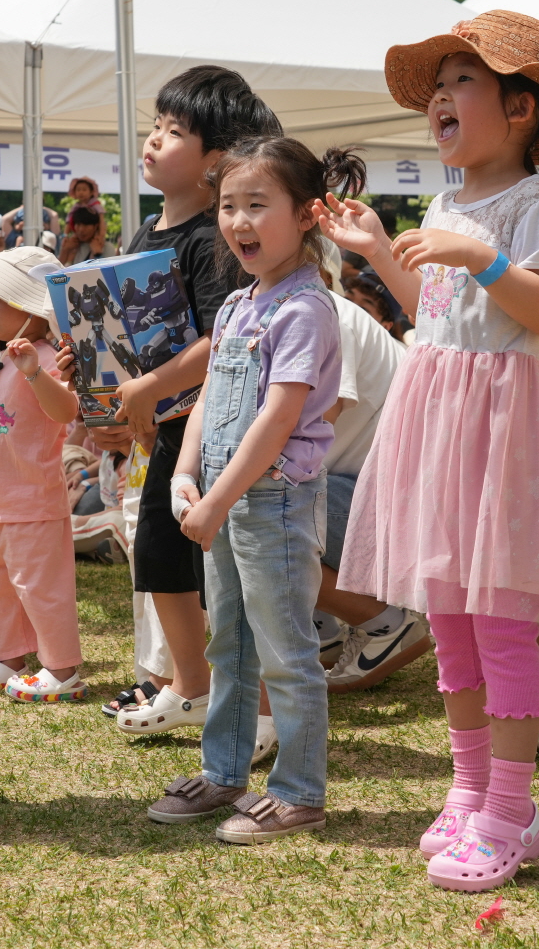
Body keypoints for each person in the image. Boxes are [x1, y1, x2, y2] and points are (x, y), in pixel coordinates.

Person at [318, 10, 539, 892]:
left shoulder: (532, 207)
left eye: (462, 83)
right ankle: (469, 787)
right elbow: (433, 313)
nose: (441, 98)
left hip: (505, 427)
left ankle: (511, 808)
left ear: (522, 110)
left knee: (503, 621)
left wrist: (477, 254)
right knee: (449, 616)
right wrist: (379, 250)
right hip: (440, 418)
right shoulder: (447, 205)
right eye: (437, 86)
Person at [148, 135, 356, 843]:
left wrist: (214, 498)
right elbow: (209, 394)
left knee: (285, 649)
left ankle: (299, 791)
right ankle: (225, 771)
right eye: (228, 205)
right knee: (227, 641)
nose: (238, 221)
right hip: (225, 496)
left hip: (272, 500)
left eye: (257, 204)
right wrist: (185, 472)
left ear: (305, 215)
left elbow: (279, 417)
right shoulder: (239, 303)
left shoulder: (306, 308)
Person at [108, 66, 281, 739]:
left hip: (207, 423)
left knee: (222, 572)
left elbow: (224, 336)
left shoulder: (213, 238)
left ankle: (256, 705)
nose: (153, 141)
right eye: (155, 125)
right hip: (158, 430)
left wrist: (150, 387)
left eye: (174, 132)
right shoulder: (146, 233)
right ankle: (192, 685)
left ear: (216, 161)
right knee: (155, 556)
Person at [0, 247, 87, 703]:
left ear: (32, 305)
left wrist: (35, 374)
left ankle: (61, 668)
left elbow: (66, 411)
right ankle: (9, 658)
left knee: (41, 589)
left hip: (34, 500)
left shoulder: (47, 356)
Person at [317, 248, 427, 695]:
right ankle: (325, 628)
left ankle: (385, 624)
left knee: (266, 512)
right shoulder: (308, 310)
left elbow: (316, 419)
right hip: (372, 497)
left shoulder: (325, 315)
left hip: (395, 512)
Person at [58, 176, 105, 263]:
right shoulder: (70, 245)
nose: (81, 229)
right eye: (78, 190)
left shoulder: (104, 246)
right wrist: (65, 238)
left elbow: (102, 221)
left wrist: (101, 236)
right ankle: (69, 262)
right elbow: (68, 222)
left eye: (84, 190)